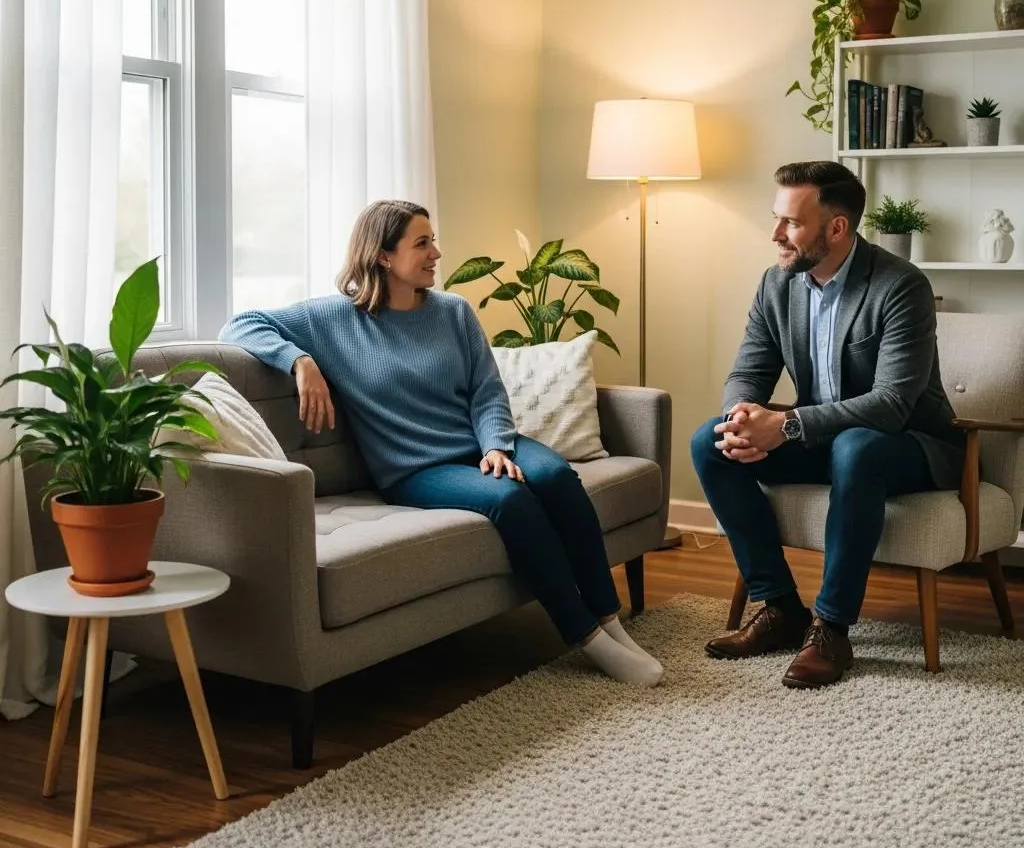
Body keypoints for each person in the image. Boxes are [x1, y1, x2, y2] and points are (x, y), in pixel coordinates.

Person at [220, 199, 663, 687]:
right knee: (511, 501)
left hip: (482, 442)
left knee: (558, 477)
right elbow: (240, 325)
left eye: (433, 240)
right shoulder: (334, 319)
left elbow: (487, 389)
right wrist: (300, 362)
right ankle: (587, 638)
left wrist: (495, 445)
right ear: (383, 256)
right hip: (417, 469)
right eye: (422, 243)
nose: (436, 253)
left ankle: (609, 618)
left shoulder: (453, 311)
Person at [690, 161, 964, 688]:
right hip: (829, 438)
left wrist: (787, 427)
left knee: (858, 447)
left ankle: (832, 629)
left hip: (913, 445)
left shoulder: (900, 285)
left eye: (790, 223)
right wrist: (742, 415)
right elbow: (749, 370)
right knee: (710, 440)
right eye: (776, 219)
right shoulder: (776, 284)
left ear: (836, 228)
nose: (775, 235)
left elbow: (891, 405)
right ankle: (780, 609)